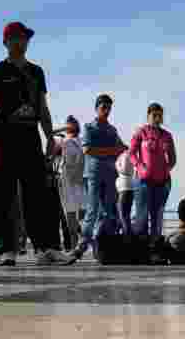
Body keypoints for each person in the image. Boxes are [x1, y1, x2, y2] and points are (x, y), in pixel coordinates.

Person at [0, 21, 71, 266]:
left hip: (30, 135)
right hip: (4, 136)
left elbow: (43, 108)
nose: (22, 42)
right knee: (3, 194)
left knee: (38, 194)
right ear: (6, 41)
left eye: (25, 38)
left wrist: (50, 137)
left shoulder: (36, 72)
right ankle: (5, 249)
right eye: (16, 37)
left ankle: (45, 248)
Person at [74, 94, 126, 259]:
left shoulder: (113, 130)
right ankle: (82, 246)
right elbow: (88, 150)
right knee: (92, 210)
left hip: (111, 175)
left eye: (109, 108)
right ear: (97, 108)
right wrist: (112, 151)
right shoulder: (89, 127)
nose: (106, 110)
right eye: (103, 107)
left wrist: (115, 150)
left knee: (108, 212)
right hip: (93, 174)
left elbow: (123, 147)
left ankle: (102, 246)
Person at [129, 103, 177, 238]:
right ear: (148, 116)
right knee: (142, 218)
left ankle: (155, 250)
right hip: (143, 182)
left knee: (157, 218)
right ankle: (141, 250)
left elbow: (173, 158)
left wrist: (165, 169)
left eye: (160, 116)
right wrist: (140, 166)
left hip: (162, 183)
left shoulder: (167, 135)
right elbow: (131, 153)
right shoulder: (140, 132)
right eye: (154, 115)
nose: (157, 118)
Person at [56, 115, 85, 251]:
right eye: (68, 124)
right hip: (66, 179)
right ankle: (73, 247)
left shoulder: (81, 141)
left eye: (73, 123)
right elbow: (50, 135)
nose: (71, 126)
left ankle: (83, 241)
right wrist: (63, 129)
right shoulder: (63, 141)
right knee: (70, 214)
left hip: (80, 180)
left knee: (83, 213)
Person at [115, 148, 136, 235]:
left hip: (125, 187)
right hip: (126, 187)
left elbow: (124, 169)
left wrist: (116, 166)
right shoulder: (129, 155)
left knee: (123, 214)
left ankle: (127, 235)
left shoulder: (125, 155)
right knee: (125, 214)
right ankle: (125, 233)